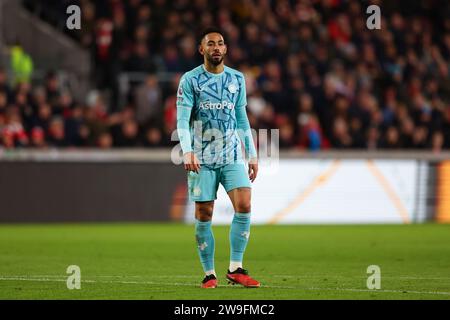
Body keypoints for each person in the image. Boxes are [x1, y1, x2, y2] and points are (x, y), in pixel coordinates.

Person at [176, 27, 260, 289]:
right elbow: (182, 119)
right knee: (204, 213)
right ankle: (209, 273)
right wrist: (187, 150)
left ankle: (236, 268)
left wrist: (252, 153)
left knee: (244, 205)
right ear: (202, 49)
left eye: (220, 43)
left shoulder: (237, 79)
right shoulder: (190, 80)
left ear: (225, 49)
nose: (216, 47)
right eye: (210, 44)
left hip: (232, 154)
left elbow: (241, 118)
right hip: (201, 156)